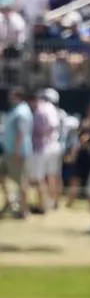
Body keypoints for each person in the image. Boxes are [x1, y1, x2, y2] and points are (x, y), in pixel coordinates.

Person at [3, 87, 33, 219]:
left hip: (17, 153)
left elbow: (22, 133)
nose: (10, 98)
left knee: (21, 182)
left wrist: (16, 150)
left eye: (12, 95)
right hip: (8, 151)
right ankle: (9, 202)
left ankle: (24, 210)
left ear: (18, 96)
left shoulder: (22, 111)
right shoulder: (16, 110)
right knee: (2, 177)